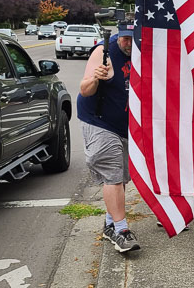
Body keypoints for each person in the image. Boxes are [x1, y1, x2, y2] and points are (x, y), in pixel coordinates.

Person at [77, 22, 139, 253]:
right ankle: (121, 231)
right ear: (118, 36)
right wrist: (96, 78)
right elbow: (84, 89)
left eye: (133, 39)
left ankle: (111, 223)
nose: (128, 43)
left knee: (121, 177)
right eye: (125, 38)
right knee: (112, 173)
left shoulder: (143, 52)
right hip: (98, 120)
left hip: (124, 124)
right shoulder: (104, 51)